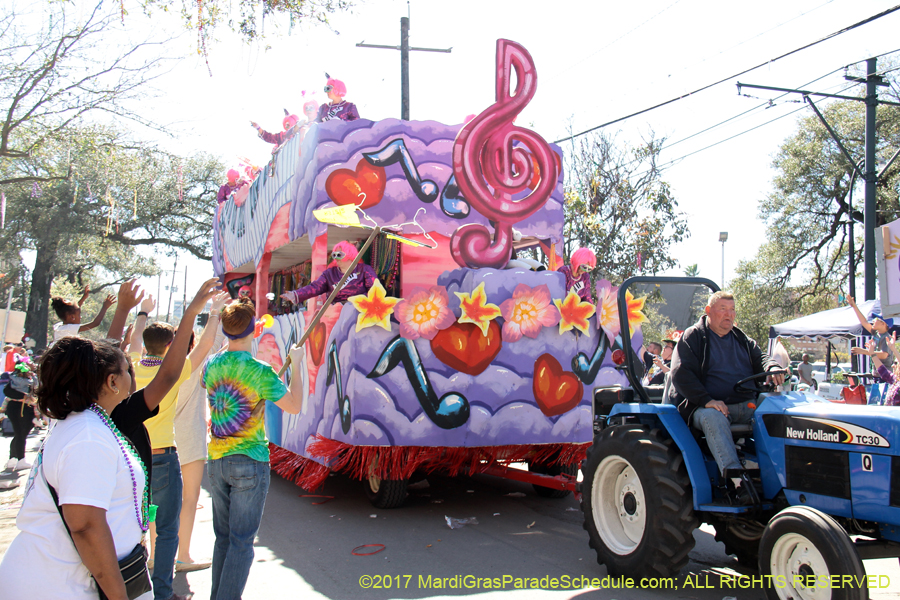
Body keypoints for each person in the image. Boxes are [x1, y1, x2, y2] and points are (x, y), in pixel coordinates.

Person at [0, 277, 218, 600]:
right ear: (112, 382)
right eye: (126, 369)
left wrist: (130, 311)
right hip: (60, 584)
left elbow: (118, 362)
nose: (133, 370)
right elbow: (86, 526)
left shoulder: (95, 416)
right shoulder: (88, 436)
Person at [129, 289, 228, 600]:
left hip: (132, 458)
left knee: (136, 523)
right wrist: (214, 313)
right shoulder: (172, 373)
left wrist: (141, 312)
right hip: (164, 458)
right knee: (168, 526)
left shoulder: (131, 365)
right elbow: (207, 345)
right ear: (170, 346)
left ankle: (137, 582)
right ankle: (162, 590)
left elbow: (133, 342)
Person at [204, 297, 304, 599]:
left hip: (217, 461)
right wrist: (296, 367)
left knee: (224, 539)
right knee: (241, 542)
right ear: (253, 331)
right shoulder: (260, 371)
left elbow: (207, 374)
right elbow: (294, 405)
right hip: (249, 461)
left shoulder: (212, 366)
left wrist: (228, 342)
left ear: (225, 330)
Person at [669, 291, 783, 504]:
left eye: (732, 310)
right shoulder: (693, 337)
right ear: (709, 311)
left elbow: (762, 358)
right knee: (714, 418)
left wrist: (773, 366)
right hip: (706, 406)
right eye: (723, 309)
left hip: (747, 404)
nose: (728, 315)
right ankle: (738, 482)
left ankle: (781, 475)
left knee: (779, 408)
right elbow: (680, 374)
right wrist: (707, 400)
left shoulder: (741, 338)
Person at [174, 294, 228, 573]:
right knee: (189, 499)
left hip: (157, 443)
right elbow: (213, 342)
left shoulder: (145, 369)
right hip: (190, 441)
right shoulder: (188, 368)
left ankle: (153, 550)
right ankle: (183, 554)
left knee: (155, 502)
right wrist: (215, 312)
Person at [280, 241, 378, 307]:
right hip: (336, 312)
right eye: (334, 255)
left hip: (360, 310)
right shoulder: (330, 274)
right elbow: (314, 287)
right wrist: (296, 294)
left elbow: (375, 291)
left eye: (339, 255)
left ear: (349, 255)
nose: (336, 258)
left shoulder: (365, 270)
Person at [2, 356, 38, 471]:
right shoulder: (25, 379)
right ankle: (20, 459)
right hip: (23, 408)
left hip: (19, 408)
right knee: (20, 433)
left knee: (20, 434)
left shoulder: (17, 378)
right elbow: (7, 391)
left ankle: (13, 458)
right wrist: (24, 396)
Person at [51, 287, 117, 342]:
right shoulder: (69, 328)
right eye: (79, 315)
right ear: (72, 317)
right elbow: (95, 323)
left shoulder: (60, 326)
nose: (81, 317)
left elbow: (75, 310)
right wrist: (105, 307)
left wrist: (84, 298)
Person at [847, 295, 894, 372]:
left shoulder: (887, 337)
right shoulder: (876, 333)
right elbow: (864, 322)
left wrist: (864, 351)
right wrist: (854, 306)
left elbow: (884, 355)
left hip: (885, 375)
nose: (873, 321)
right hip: (877, 373)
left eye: (876, 319)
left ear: (883, 324)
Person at [859, 338, 900, 406]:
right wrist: (872, 354)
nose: (892, 365)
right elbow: (882, 370)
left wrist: (894, 349)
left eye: (896, 363)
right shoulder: (895, 380)